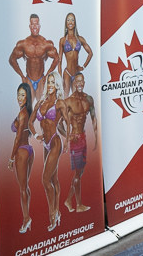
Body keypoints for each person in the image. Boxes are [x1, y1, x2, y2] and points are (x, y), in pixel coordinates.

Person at [34, 71, 68, 232]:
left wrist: (67, 141)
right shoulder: (42, 102)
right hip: (45, 144)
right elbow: (31, 121)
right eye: (49, 82)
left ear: (58, 85)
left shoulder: (60, 103)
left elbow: (67, 122)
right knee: (53, 179)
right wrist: (36, 135)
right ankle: (58, 213)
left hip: (55, 142)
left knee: (45, 180)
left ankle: (53, 215)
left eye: (53, 82)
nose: (50, 85)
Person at [62, 73, 97, 214]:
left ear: (84, 82)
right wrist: (68, 137)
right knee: (77, 173)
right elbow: (59, 124)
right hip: (75, 139)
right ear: (73, 83)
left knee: (80, 171)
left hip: (83, 137)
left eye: (82, 81)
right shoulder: (68, 101)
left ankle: (68, 200)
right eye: (77, 81)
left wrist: (96, 138)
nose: (80, 84)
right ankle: (79, 205)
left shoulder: (89, 99)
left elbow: (94, 119)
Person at [9, 14, 59, 102]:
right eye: (32, 24)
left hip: (41, 80)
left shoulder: (46, 43)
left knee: (42, 106)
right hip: (28, 79)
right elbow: (12, 59)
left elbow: (57, 58)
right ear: (29, 26)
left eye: (36, 24)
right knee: (28, 107)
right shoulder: (23, 44)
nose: (35, 26)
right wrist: (22, 76)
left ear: (39, 26)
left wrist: (47, 74)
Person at [8, 83, 35, 234]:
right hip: (29, 150)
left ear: (27, 97)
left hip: (22, 152)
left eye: (23, 95)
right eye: (18, 94)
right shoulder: (26, 112)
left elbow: (18, 139)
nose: (19, 97)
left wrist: (11, 158)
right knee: (26, 187)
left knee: (23, 188)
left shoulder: (23, 114)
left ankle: (26, 220)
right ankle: (27, 218)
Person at [58, 12, 93, 97]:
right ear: (66, 23)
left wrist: (83, 67)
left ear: (75, 23)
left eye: (72, 20)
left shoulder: (80, 39)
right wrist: (60, 78)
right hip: (67, 73)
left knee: (76, 98)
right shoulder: (62, 40)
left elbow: (90, 53)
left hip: (77, 74)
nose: (70, 22)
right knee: (65, 97)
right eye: (68, 20)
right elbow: (59, 61)